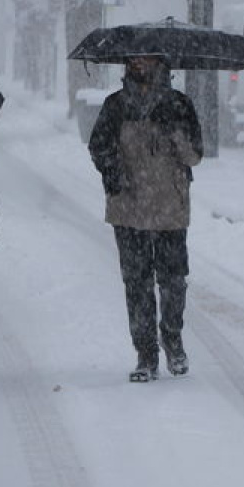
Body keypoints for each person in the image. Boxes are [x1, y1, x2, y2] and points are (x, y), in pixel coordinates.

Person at [88, 55, 203, 382]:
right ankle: (146, 354)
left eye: (148, 58)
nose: (140, 64)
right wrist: (113, 170)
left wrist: (174, 130)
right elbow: (98, 146)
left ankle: (172, 338)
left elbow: (195, 155)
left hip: (170, 207)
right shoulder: (116, 105)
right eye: (134, 58)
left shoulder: (180, 105)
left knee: (173, 280)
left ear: (161, 64)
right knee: (136, 283)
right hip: (129, 206)